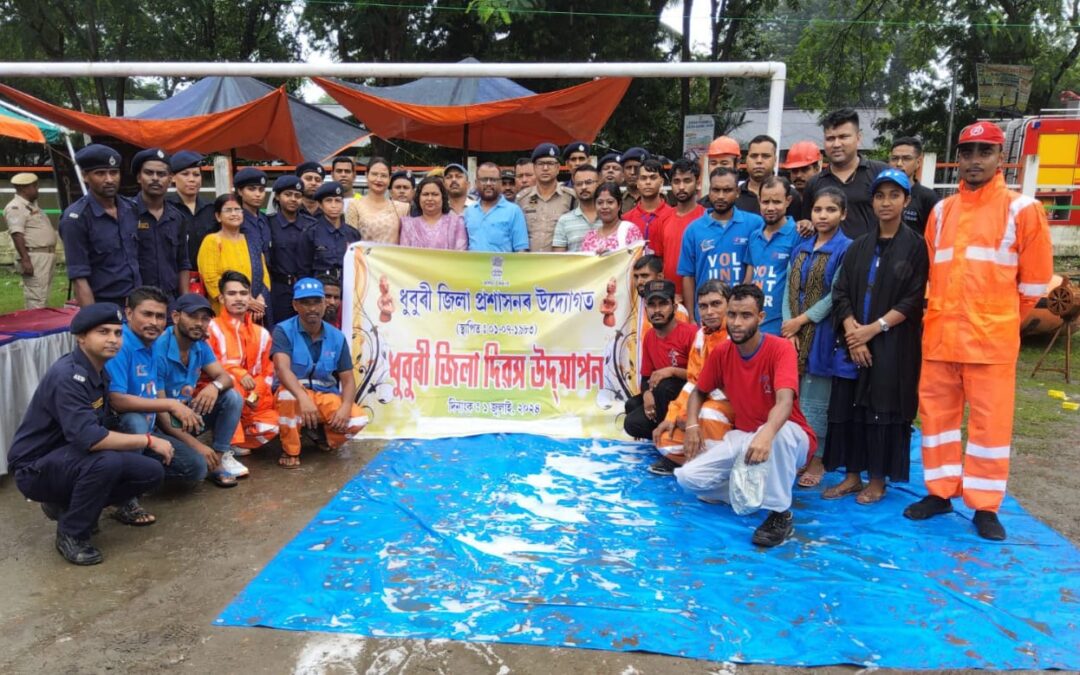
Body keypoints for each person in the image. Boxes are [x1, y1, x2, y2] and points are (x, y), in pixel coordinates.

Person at [904, 121, 1053, 541]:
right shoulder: (943, 211)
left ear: (1000, 158)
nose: (973, 161)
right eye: (967, 153)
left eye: (984, 152)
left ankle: (985, 506)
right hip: (940, 340)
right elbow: (932, 273)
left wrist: (998, 320)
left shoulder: (1022, 210)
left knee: (989, 427)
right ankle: (940, 493)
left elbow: (1035, 286)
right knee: (937, 421)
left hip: (991, 343)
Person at [8, 303, 168, 565]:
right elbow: (92, 439)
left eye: (117, 333)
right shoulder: (69, 376)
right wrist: (148, 439)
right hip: (35, 468)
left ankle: (66, 505)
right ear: (82, 337)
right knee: (108, 461)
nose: (113, 340)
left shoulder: (97, 371)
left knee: (151, 472)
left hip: (69, 458)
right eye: (103, 332)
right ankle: (72, 534)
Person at [675, 284, 817, 548]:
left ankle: (779, 514)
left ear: (761, 317)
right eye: (732, 315)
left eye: (746, 316)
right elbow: (698, 392)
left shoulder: (780, 348)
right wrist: (692, 424)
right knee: (687, 478)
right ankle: (752, 488)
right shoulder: (722, 352)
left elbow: (785, 402)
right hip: (744, 436)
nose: (736, 323)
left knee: (780, 433)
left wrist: (766, 433)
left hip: (790, 436)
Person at [823, 169, 929, 504]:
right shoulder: (859, 247)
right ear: (872, 201)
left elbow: (913, 299)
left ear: (906, 200)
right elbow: (840, 292)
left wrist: (874, 329)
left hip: (892, 344)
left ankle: (878, 479)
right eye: (880, 196)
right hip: (855, 340)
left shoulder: (915, 247)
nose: (886, 202)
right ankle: (852, 475)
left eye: (894, 195)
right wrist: (854, 330)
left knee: (882, 409)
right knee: (851, 407)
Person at [106, 286, 219, 491]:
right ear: (129, 313)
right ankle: (125, 494)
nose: (154, 322)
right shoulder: (120, 344)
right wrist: (170, 404)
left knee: (196, 468)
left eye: (159, 316)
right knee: (135, 420)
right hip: (119, 432)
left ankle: (142, 473)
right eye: (147, 314)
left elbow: (223, 376)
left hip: (153, 429)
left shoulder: (151, 344)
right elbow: (116, 400)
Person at [782, 187, 853, 488]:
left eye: (830, 210)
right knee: (792, 395)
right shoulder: (801, 246)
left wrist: (800, 321)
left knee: (816, 399)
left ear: (843, 214)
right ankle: (797, 454)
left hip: (821, 332)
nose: (823, 215)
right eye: (818, 210)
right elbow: (788, 287)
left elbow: (835, 294)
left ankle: (818, 459)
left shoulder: (845, 249)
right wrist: (788, 325)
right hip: (792, 333)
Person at [272, 278, 368, 468]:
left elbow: (348, 380)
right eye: (305, 303)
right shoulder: (283, 330)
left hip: (324, 396)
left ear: (325, 304)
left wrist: (345, 407)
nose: (312, 308)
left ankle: (322, 436)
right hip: (292, 394)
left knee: (358, 418)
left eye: (317, 302)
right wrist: (302, 396)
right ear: (295, 305)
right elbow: (282, 368)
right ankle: (290, 450)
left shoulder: (337, 337)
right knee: (288, 395)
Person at [153, 293, 248, 484]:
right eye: (193, 316)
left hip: (186, 417)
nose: (199, 323)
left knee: (232, 397)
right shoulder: (158, 349)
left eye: (205, 318)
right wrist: (198, 446)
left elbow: (225, 378)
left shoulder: (200, 345)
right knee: (195, 470)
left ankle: (218, 460)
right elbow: (162, 417)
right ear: (176, 316)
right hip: (159, 426)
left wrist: (214, 387)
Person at [650, 280, 733, 474]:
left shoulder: (735, 336)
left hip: (730, 407)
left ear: (730, 305)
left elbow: (725, 390)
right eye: (703, 306)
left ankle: (714, 468)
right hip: (702, 404)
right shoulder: (701, 336)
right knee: (665, 439)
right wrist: (674, 417)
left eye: (716, 304)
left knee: (709, 414)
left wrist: (690, 419)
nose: (709, 311)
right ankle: (699, 460)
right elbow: (693, 383)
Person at [60, 144, 141, 307]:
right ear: (85, 176)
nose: (109, 179)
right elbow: (79, 278)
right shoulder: (75, 218)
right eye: (100, 173)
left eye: (113, 172)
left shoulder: (130, 209)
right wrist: (94, 321)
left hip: (137, 303)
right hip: (104, 305)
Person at [206, 271, 279, 452]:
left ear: (250, 297)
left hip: (252, 399)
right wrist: (239, 374)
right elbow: (208, 366)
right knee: (231, 384)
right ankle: (228, 445)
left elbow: (267, 373)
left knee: (276, 425)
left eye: (243, 293)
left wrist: (254, 395)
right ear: (221, 298)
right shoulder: (211, 328)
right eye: (232, 294)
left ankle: (238, 439)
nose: (238, 298)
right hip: (219, 395)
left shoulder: (261, 333)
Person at [678, 167, 764, 319]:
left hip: (741, 314)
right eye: (716, 190)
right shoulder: (693, 230)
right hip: (707, 315)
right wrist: (691, 317)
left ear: (737, 192)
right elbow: (688, 276)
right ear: (709, 191)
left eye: (727, 190)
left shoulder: (755, 223)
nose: (720, 196)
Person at [623, 280, 697, 440]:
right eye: (652, 305)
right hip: (662, 398)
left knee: (665, 385)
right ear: (646, 308)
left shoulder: (692, 333)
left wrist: (672, 371)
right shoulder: (649, 336)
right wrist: (647, 394)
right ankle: (663, 435)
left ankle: (672, 444)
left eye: (663, 304)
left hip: (690, 397)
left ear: (675, 307)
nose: (657, 310)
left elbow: (701, 376)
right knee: (631, 410)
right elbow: (646, 377)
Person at [800, 108, 888, 239]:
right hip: (827, 257)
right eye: (830, 138)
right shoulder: (814, 183)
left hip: (870, 256)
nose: (836, 144)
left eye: (843, 137)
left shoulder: (880, 173)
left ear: (858, 138)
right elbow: (807, 224)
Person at [745, 176, 804, 335]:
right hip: (754, 327)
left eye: (777, 202)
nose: (770, 207)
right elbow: (750, 277)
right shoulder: (754, 236)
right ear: (759, 200)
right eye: (765, 202)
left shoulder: (798, 234)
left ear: (788, 201)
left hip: (783, 327)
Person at [198, 194, 270, 322]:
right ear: (218, 216)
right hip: (224, 310)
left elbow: (264, 275)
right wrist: (244, 300)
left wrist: (260, 301)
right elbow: (210, 278)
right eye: (228, 210)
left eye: (237, 209)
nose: (234, 213)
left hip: (254, 312)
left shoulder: (251, 241)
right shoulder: (212, 241)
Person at [131, 148, 190, 303]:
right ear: (139, 177)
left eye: (161, 174)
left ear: (170, 179)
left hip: (169, 299)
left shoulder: (177, 218)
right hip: (136, 300)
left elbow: (183, 263)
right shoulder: (125, 214)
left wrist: (184, 303)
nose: (155, 178)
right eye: (149, 173)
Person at [268, 174, 316, 322]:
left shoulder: (311, 225)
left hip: (306, 287)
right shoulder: (268, 223)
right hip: (279, 288)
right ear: (277, 197)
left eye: (297, 195)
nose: (293, 199)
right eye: (288, 195)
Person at [4, 172, 56, 309]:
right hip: (33, 256)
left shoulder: (32, 206)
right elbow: (17, 234)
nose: (37, 189)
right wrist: (25, 260)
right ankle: (36, 328)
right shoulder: (15, 207)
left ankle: (41, 326)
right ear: (23, 189)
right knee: (36, 297)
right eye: (34, 186)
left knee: (43, 295)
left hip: (45, 255)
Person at [653, 158, 706, 289]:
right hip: (670, 297)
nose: (681, 187)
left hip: (701, 294)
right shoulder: (662, 219)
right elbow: (658, 262)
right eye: (677, 181)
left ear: (697, 183)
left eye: (687, 181)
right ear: (670, 184)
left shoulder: (706, 217)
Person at [168, 151, 216, 288]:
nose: (192, 179)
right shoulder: (166, 208)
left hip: (208, 280)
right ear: (172, 178)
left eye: (196, 174)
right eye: (185, 174)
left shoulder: (211, 209)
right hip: (176, 280)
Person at [518, 142, 576, 251]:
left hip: (559, 264)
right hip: (529, 263)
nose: (545, 168)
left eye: (550, 163)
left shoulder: (571, 197)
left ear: (558, 167)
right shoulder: (522, 199)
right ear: (534, 168)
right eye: (540, 163)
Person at [464, 162, 529, 252]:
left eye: (493, 180)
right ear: (476, 183)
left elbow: (521, 250)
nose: (488, 183)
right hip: (474, 265)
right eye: (484, 179)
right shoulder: (469, 211)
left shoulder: (514, 211)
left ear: (500, 182)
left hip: (504, 266)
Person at [736, 135, 802, 220]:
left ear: (775, 160)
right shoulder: (735, 195)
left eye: (765, 156)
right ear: (747, 159)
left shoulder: (790, 194)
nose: (759, 161)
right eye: (754, 156)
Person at [346, 157, 408, 243]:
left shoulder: (402, 208)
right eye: (374, 174)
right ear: (366, 175)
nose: (378, 180)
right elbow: (350, 243)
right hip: (363, 255)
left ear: (389, 179)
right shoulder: (355, 205)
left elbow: (407, 243)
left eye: (383, 175)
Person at [309, 182, 362, 281]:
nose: (334, 205)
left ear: (343, 204)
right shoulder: (311, 233)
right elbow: (303, 269)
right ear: (320, 205)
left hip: (346, 286)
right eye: (329, 201)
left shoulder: (353, 234)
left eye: (338, 201)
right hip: (321, 287)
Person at [399, 175, 468, 250]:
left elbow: (461, 255)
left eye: (435, 194)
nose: (430, 198)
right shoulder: (408, 225)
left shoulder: (456, 223)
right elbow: (405, 256)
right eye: (425, 194)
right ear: (418, 197)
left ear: (443, 197)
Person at [889, 136, 941, 236]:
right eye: (894, 158)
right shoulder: (879, 194)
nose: (899, 164)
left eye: (906, 158)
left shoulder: (928, 198)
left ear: (918, 162)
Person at [624, 158, 673, 254]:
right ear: (637, 183)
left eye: (653, 177)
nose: (648, 182)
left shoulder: (672, 216)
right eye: (643, 178)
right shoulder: (626, 220)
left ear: (661, 182)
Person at [579, 182, 642, 254]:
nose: (604, 207)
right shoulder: (589, 237)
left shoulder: (630, 230)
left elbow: (638, 260)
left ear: (619, 205)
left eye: (610, 202)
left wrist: (611, 258)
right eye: (600, 203)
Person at [552, 164, 601, 252]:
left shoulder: (610, 217)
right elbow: (558, 258)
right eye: (579, 184)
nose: (583, 187)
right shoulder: (564, 221)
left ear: (598, 184)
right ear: (574, 187)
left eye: (589, 182)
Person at [234, 167, 272, 263]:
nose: (258, 194)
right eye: (252, 189)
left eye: (261, 190)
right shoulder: (235, 218)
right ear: (240, 191)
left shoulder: (265, 219)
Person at [619, 147, 648, 213]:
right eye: (628, 168)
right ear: (623, 172)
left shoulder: (657, 198)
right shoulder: (617, 199)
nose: (632, 172)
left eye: (637, 168)